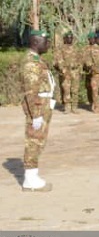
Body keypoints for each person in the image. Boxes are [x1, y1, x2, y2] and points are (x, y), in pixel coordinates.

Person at [21, 29, 56, 191]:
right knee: (34, 141)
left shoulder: (37, 59)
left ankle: (33, 176)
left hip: (43, 104)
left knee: (39, 141)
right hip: (38, 106)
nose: (48, 44)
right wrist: (35, 115)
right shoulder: (31, 62)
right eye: (45, 41)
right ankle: (30, 179)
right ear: (35, 43)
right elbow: (30, 91)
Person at [53, 31, 83, 114]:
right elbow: (59, 60)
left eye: (71, 38)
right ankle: (67, 107)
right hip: (66, 71)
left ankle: (74, 107)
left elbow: (80, 59)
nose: (70, 39)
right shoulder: (60, 48)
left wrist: (80, 70)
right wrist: (63, 70)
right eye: (68, 38)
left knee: (75, 90)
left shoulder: (76, 48)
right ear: (64, 39)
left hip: (75, 71)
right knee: (66, 90)